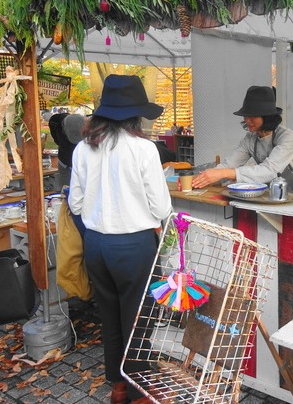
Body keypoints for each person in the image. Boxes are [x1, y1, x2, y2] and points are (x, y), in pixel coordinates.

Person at [68, 75, 172, 404]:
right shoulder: (144, 149)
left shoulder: (84, 148)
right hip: (134, 245)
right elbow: (161, 207)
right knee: (139, 320)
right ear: (135, 115)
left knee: (110, 316)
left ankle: (118, 385)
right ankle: (140, 389)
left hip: (97, 245)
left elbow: (75, 203)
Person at [192, 85, 293, 188]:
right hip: (275, 190)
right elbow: (229, 164)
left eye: (253, 116)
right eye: (246, 116)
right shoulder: (250, 139)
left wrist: (224, 173)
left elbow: (270, 170)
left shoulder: (287, 137)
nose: (247, 120)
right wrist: (200, 179)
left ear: (267, 117)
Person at [48, 112, 86, 191]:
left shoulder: (87, 128)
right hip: (65, 162)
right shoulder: (55, 122)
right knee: (66, 190)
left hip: (81, 163)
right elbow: (56, 139)